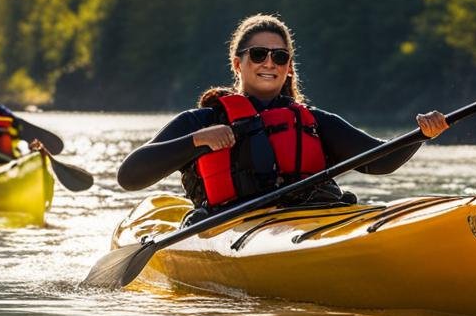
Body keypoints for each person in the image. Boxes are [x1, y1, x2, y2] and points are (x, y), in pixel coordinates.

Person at [117, 14, 449, 217]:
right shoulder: (202, 121)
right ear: (238, 63)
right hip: (232, 228)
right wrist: (196, 142)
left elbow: (378, 160)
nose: (269, 63)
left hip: (312, 222)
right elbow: (129, 176)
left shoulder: (315, 122)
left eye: (279, 57)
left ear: (289, 67)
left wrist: (422, 134)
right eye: (258, 54)